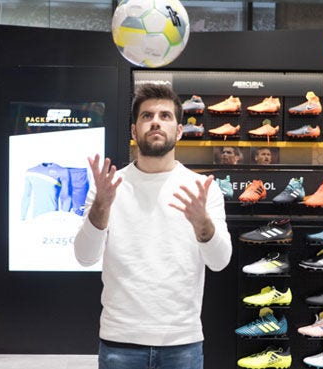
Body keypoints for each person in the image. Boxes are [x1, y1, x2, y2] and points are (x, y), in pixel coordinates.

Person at [74, 83, 232, 369]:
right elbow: (85, 257)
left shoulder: (202, 188)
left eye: (165, 116)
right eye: (147, 116)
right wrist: (101, 208)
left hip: (182, 342)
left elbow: (220, 262)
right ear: (134, 131)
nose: (156, 121)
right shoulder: (108, 188)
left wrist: (202, 225)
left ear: (179, 131)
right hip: (120, 340)